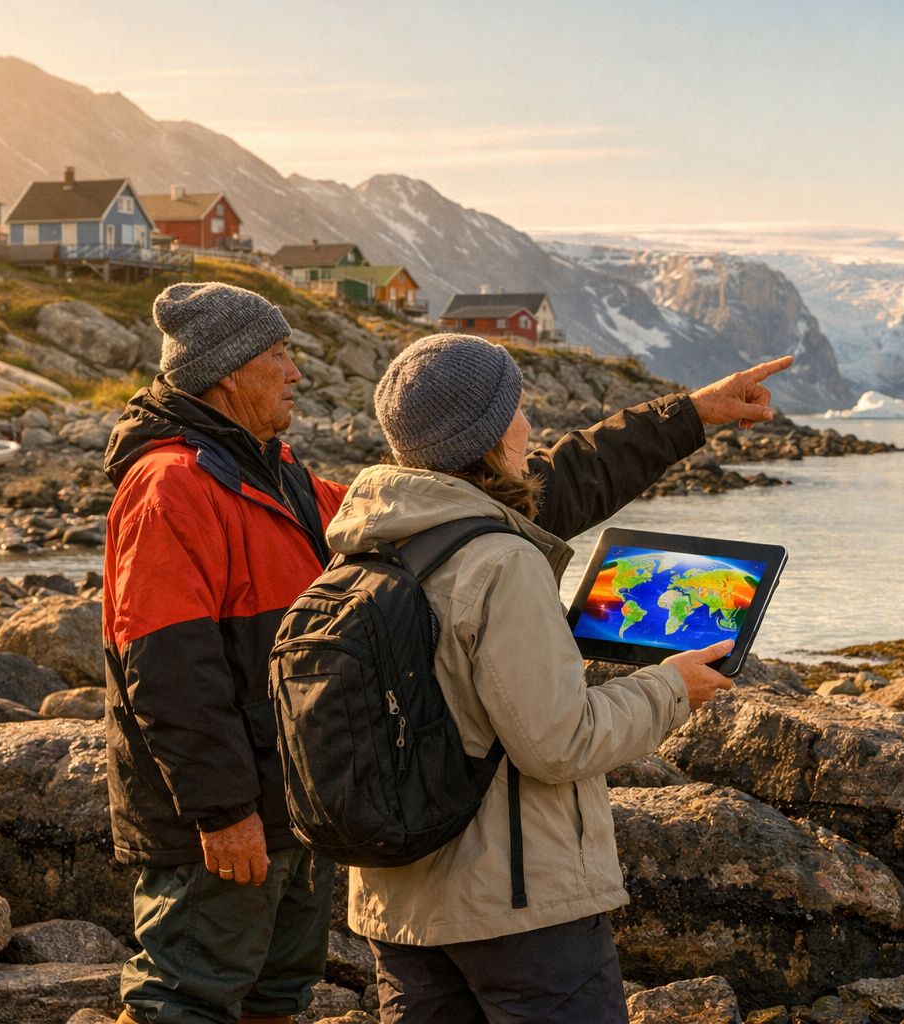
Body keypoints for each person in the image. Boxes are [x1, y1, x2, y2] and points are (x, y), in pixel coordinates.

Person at [101, 281, 791, 1024]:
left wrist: (687, 416)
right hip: (232, 818)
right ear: (229, 370)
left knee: (275, 995)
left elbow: (498, 498)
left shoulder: (305, 491)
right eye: (279, 354)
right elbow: (166, 669)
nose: (296, 371)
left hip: (311, 807)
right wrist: (220, 810)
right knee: (187, 998)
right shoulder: (170, 486)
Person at [327, 334, 787, 1024]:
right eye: (515, 410)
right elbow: (559, 743)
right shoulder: (499, 560)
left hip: (398, 909)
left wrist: (691, 414)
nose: (530, 425)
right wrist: (670, 687)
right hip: (519, 910)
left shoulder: (364, 544)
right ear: (483, 436)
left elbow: (571, 474)